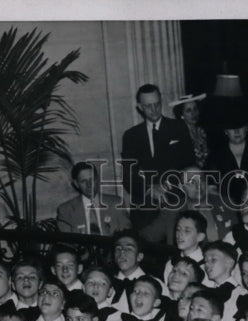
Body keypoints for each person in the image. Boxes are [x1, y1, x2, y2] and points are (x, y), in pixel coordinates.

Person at [121, 83, 196, 231]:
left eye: (157, 104)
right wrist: (150, 188)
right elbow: (129, 176)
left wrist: (167, 186)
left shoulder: (178, 128)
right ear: (139, 107)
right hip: (145, 209)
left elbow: (189, 166)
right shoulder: (131, 136)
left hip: (176, 205)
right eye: (148, 106)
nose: (154, 110)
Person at [56, 161, 131, 235]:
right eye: (83, 181)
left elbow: (126, 235)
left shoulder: (116, 203)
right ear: (76, 184)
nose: (89, 185)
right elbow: (66, 243)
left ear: (97, 179)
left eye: (91, 179)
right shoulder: (66, 210)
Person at [170, 93, 209, 168]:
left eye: (195, 109)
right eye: (188, 110)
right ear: (181, 115)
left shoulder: (203, 131)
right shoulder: (178, 136)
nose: (193, 113)